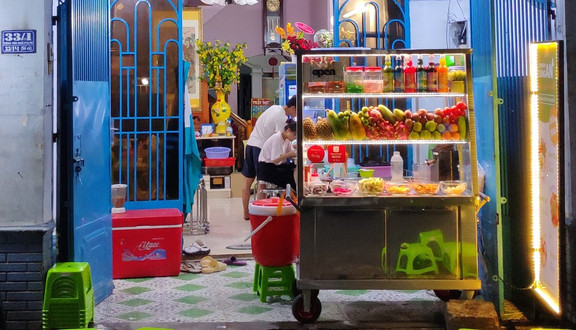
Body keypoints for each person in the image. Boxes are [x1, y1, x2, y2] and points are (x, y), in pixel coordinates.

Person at [242, 95, 297, 220]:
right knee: (262, 184)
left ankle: (246, 213)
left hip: (251, 144)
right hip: (260, 148)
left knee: (247, 182)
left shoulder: (274, 108)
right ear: (293, 107)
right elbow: (282, 137)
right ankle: (259, 214)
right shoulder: (282, 118)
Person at [257, 119, 297, 194]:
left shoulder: (287, 140)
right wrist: (288, 155)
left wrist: (293, 155)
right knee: (289, 175)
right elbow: (275, 159)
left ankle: (294, 193)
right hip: (267, 168)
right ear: (288, 130)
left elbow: (291, 153)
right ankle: (293, 195)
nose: (294, 137)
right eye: (294, 135)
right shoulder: (277, 138)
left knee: (292, 167)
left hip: (275, 166)